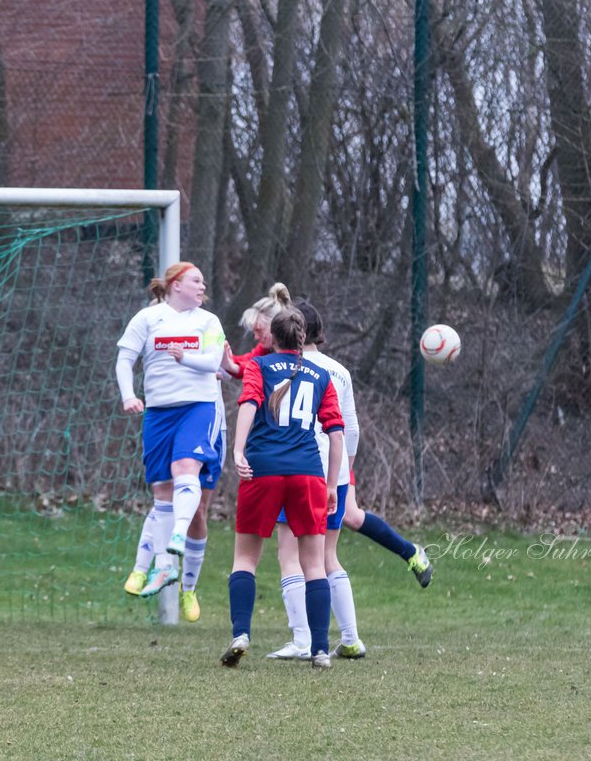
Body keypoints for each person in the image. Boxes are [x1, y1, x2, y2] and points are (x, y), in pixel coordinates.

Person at [266, 299, 432, 662]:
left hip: (295, 467)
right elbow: (351, 429)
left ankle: (303, 639)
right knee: (327, 556)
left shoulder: (284, 368)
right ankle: (351, 638)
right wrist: (344, 475)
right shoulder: (339, 371)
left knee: (289, 554)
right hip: (333, 474)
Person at [222, 307, 344, 670]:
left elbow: (248, 403)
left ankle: (241, 633)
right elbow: (335, 433)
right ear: (303, 338)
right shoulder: (322, 375)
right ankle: (320, 649)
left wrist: (238, 449)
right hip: (308, 474)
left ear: (272, 338)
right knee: (314, 565)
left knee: (245, 558)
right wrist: (332, 482)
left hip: (264, 469)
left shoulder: (259, 367)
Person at [117, 262, 225, 604]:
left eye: (203, 282)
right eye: (196, 280)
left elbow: (214, 363)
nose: (201, 286)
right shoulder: (147, 319)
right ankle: (164, 567)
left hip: (198, 406)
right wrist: (129, 395)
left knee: (186, 470)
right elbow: (124, 360)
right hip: (159, 412)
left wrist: (185, 357)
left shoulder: (208, 321)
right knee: (162, 489)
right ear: (175, 284)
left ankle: (178, 536)